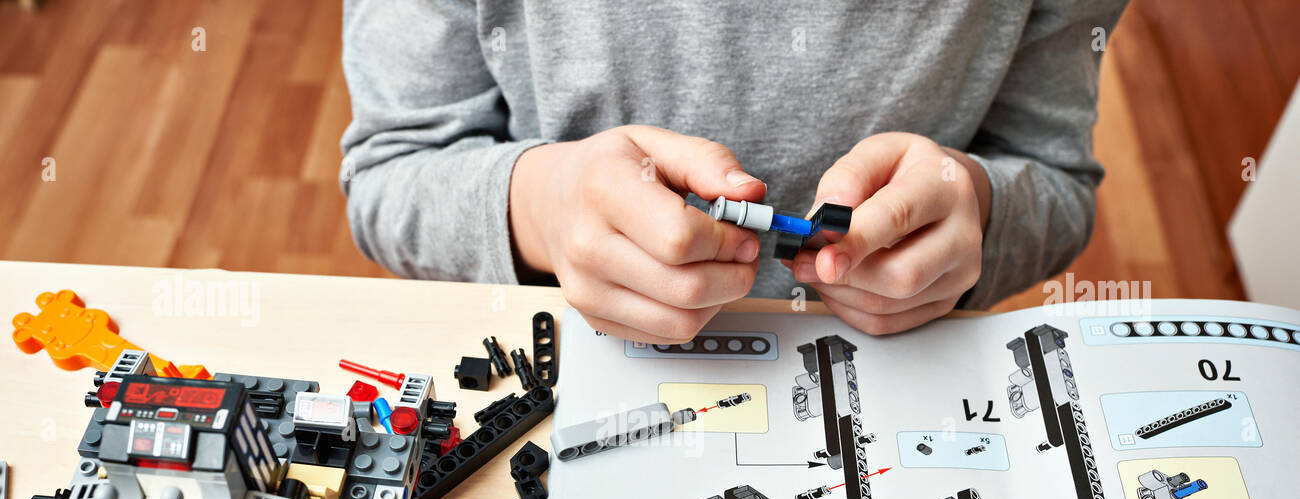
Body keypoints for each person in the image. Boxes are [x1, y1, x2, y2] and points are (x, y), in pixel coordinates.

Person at [340, 1, 1127, 343]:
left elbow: (1056, 177)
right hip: (574, 356)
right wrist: (543, 207)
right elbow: (390, 172)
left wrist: (979, 211)